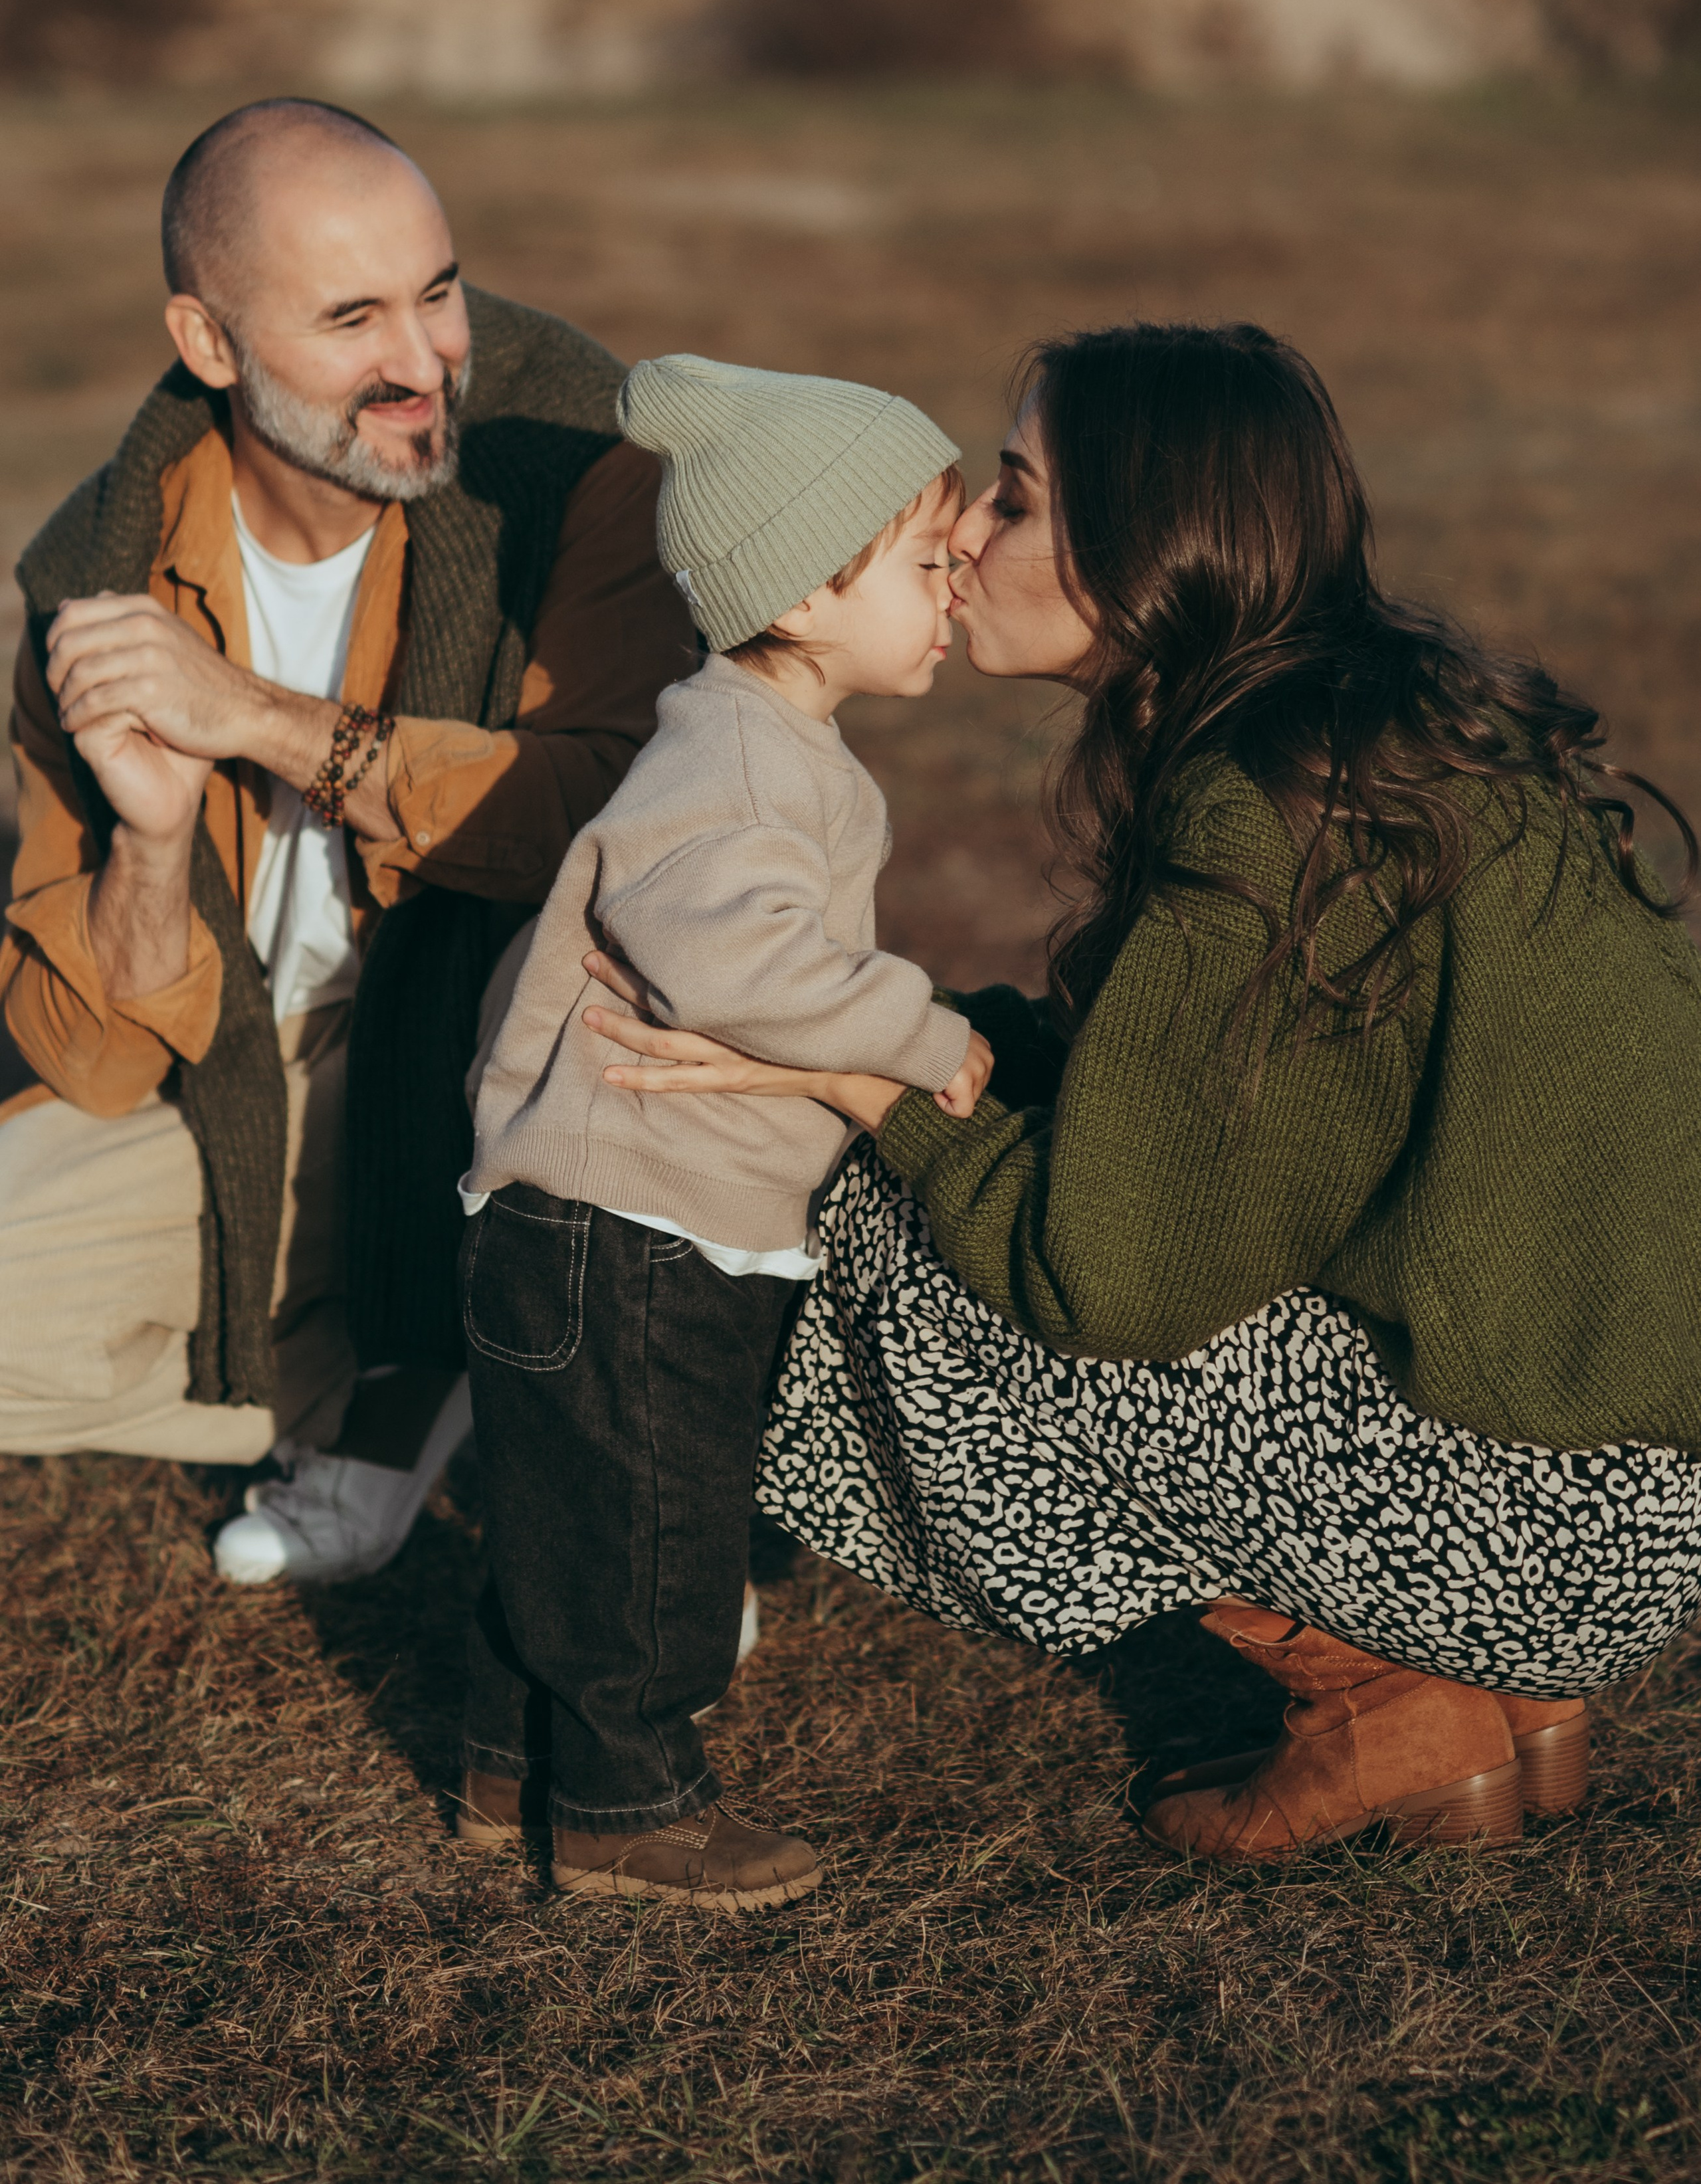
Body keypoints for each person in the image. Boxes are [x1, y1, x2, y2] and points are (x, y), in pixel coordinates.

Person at [581, 319, 1701, 1861]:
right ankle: (1492, 1699)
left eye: (1017, 497)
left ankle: (1385, 1694)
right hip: (1628, 1488)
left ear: (1144, 544)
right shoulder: (1379, 729)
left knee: (894, 1258)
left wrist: (855, 1081)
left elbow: (1101, 1277)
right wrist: (933, 1041)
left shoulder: (1275, 808)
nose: (962, 532)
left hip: (1546, 1527)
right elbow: (1185, 1123)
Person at [1, 97, 684, 1589]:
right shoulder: (92, 577)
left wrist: (256, 717)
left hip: (521, 1038)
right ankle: (396, 1363)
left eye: (437, 289)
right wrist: (150, 835)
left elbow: (605, 809)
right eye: (350, 316)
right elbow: (98, 1058)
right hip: (255, 1059)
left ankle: (441, 1358)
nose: (423, 358)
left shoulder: (574, 451)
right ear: (209, 342)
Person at [455, 353, 989, 1910]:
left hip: (622, 1213)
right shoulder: (735, 754)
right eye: (921, 562)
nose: (952, 587)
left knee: (570, 1513)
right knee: (652, 1530)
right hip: (623, 1220)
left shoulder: (760, 741)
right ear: (806, 593)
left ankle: (511, 1766)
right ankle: (630, 1809)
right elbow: (735, 961)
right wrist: (920, 1029)